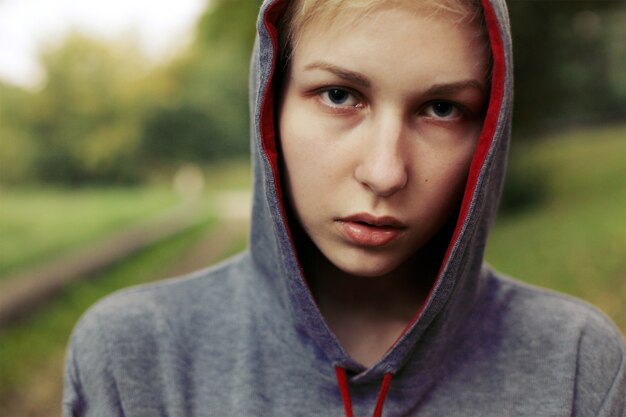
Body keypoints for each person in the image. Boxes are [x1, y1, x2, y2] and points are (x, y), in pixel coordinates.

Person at [63, 0, 626, 416]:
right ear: (270, 102)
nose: (384, 172)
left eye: (441, 107)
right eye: (339, 95)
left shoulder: (575, 364)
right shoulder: (135, 356)